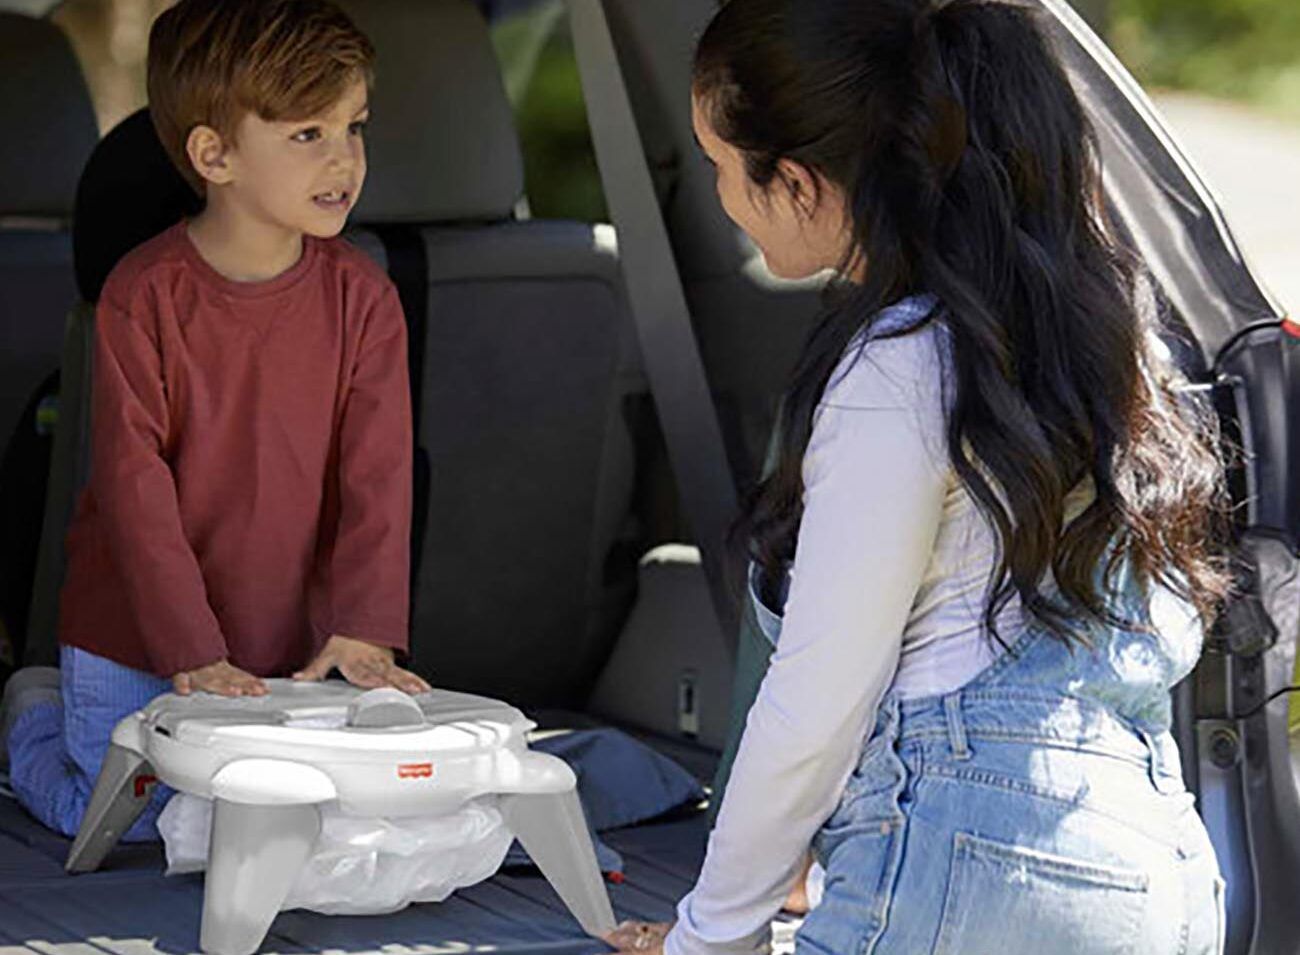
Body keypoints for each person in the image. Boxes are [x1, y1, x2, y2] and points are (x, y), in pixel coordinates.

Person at [605, 0, 1230, 952]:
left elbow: (820, 697)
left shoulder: (898, 365)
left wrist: (712, 932)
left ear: (803, 183)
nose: (723, 194)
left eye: (722, 166)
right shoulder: (1117, 343)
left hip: (969, 862)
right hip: (1164, 882)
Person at [2, 0, 429, 843]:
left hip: (289, 642)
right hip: (136, 637)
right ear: (215, 154)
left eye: (354, 127)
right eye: (308, 134)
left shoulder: (365, 299)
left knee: (288, 823)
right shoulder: (143, 294)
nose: (344, 158)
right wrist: (189, 648)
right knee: (131, 822)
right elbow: (133, 487)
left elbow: (378, 477)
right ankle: (32, 718)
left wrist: (365, 628)